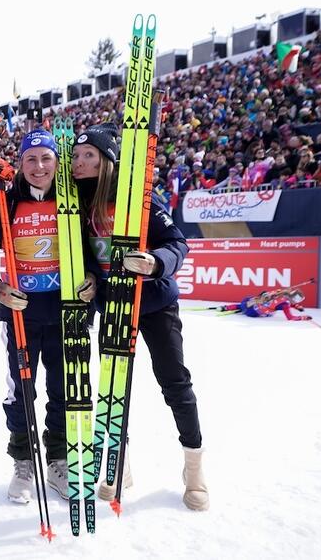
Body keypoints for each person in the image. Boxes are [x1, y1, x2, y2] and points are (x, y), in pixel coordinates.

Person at [72, 124, 209, 511]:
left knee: (174, 383)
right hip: (114, 306)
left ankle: (194, 468)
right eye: (77, 157)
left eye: (89, 157)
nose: (79, 163)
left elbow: (177, 243)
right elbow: (84, 258)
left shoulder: (139, 198)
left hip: (155, 304)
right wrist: (89, 283)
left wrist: (155, 262)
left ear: (108, 161)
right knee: (114, 389)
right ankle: (119, 466)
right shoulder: (74, 204)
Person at [0, 129, 96, 504]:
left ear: (56, 163)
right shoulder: (3, 203)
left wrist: (93, 276)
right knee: (21, 390)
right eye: (31, 159)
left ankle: (58, 460)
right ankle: (23, 460)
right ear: (21, 164)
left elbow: (95, 248)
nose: (39, 166)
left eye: (46, 158)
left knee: (63, 389)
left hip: (66, 310)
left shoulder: (73, 199)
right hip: (21, 313)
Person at [222, 288, 311, 321]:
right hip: (252, 314)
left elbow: (280, 301)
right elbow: (290, 317)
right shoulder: (285, 305)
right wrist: (302, 317)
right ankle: (238, 308)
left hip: (249, 303)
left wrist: (296, 306)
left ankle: (227, 307)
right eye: (297, 301)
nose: (296, 302)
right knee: (271, 313)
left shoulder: (279, 292)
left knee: (244, 304)